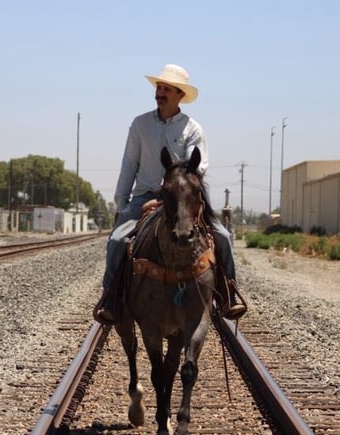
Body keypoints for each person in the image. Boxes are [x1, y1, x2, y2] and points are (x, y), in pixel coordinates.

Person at [94, 64, 247, 324]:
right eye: (159, 87)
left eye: (167, 89)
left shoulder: (193, 129)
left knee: (222, 236)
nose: (160, 93)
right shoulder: (140, 125)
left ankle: (229, 293)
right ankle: (110, 297)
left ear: (180, 95)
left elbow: (195, 169)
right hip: (144, 196)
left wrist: (170, 199)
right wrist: (122, 205)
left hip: (183, 199)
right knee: (117, 240)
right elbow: (129, 164)